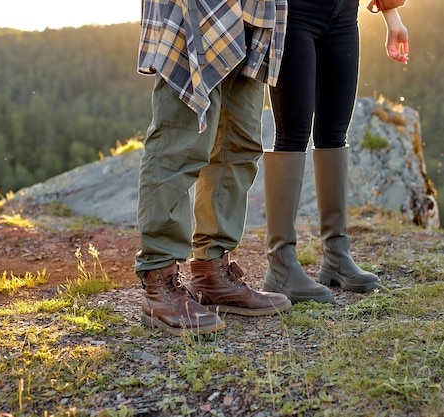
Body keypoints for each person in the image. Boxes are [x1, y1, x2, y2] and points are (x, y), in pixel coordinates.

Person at [134, 0, 292, 336]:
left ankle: (212, 271)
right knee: (180, 142)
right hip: (199, 8)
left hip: (254, 10)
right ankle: (158, 280)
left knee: (240, 142)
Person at [262, 0, 410, 303]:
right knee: (293, 134)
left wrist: (391, 15)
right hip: (293, 14)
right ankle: (280, 265)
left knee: (334, 133)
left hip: (343, 16)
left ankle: (336, 256)